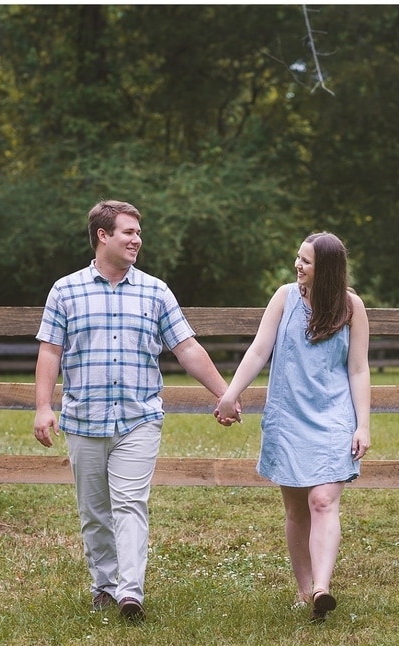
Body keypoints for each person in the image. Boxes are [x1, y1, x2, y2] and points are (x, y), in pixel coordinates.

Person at [34, 199, 239, 622]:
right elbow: (50, 352)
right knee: (94, 511)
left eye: (138, 233)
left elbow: (186, 348)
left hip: (138, 418)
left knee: (130, 504)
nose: (136, 240)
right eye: (128, 232)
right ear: (102, 236)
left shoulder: (155, 291)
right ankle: (104, 587)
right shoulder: (65, 290)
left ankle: (130, 593)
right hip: (83, 419)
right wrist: (42, 406)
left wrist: (224, 393)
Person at [216, 232, 370, 622]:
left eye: (306, 261)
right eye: (298, 258)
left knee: (322, 501)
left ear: (328, 270)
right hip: (287, 417)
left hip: (333, 417)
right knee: (296, 509)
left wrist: (362, 425)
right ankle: (305, 591)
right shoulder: (284, 298)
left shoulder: (352, 307)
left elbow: (358, 369)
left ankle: (322, 587)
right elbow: (258, 350)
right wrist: (230, 394)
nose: (297, 266)